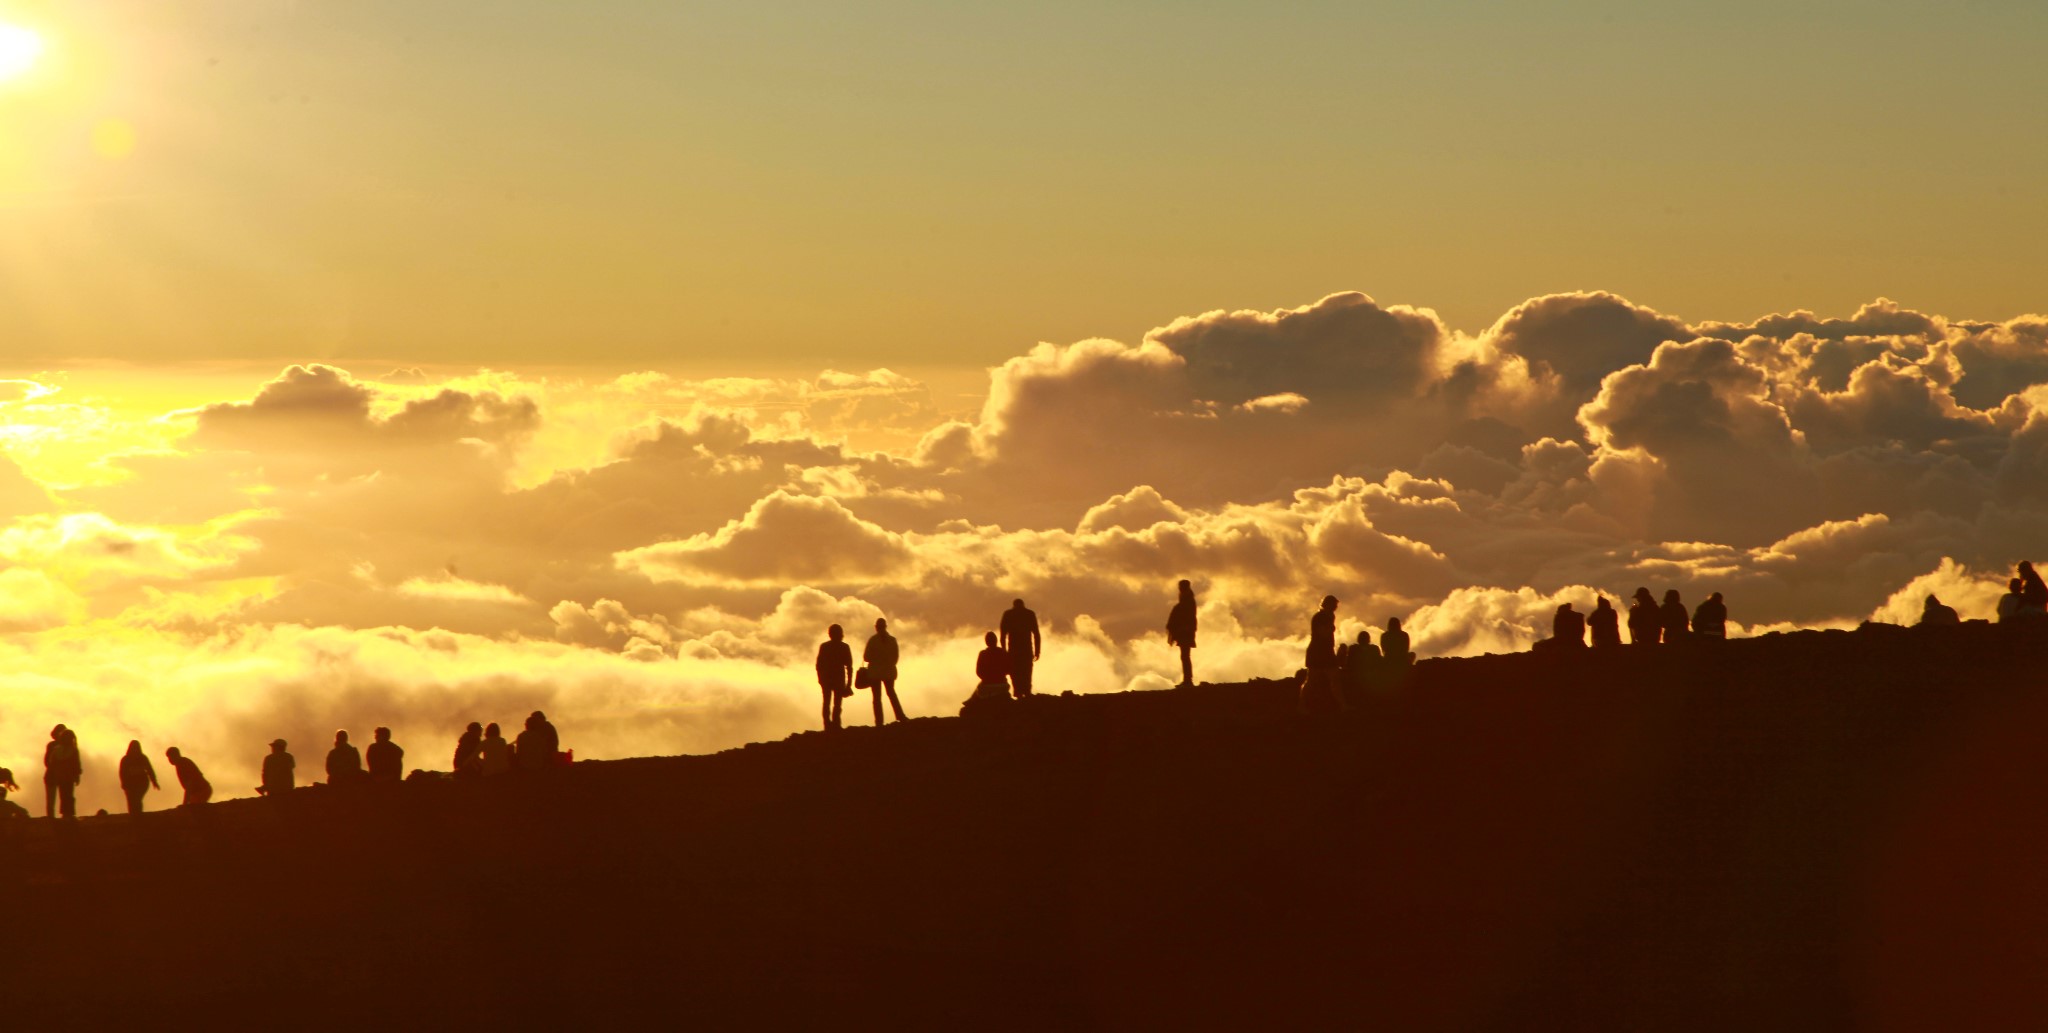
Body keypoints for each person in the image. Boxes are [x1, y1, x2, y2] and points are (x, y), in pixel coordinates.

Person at [1300, 595, 1345, 712]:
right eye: (1334, 605)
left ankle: (1341, 705)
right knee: (1312, 681)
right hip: (1317, 653)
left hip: (1326, 652)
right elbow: (1322, 634)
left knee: (1334, 679)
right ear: (1328, 604)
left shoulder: (1329, 617)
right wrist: (1330, 628)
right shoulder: (1320, 617)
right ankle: (1303, 706)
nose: (1335, 607)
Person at [862, 617, 908, 726]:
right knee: (891, 693)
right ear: (885, 627)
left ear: (876, 628)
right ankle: (900, 716)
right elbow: (895, 658)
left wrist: (876, 660)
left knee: (877, 698)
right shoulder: (892, 640)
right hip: (888, 672)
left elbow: (866, 657)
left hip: (875, 673)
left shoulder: (873, 640)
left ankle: (879, 721)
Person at [1000, 599, 1041, 699]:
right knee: (1026, 671)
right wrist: (1037, 651)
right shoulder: (1029, 614)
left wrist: (1004, 651)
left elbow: (1003, 635)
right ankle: (1027, 692)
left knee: (1015, 671)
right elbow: (1036, 634)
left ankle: (1019, 692)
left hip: (1014, 649)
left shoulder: (1008, 614)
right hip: (1026, 649)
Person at [963, 632, 1012, 716]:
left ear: (986, 642)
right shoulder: (1003, 652)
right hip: (1002, 684)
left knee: (978, 690)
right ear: (996, 641)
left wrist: (987, 678)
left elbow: (979, 672)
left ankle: (970, 703)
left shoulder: (983, 654)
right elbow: (1009, 669)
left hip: (987, 685)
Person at [816, 624, 854, 731]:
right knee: (836, 703)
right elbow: (849, 667)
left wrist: (820, 679)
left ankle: (828, 725)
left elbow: (819, 665)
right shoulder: (844, 647)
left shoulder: (825, 647)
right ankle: (835, 724)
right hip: (837, 679)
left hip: (827, 679)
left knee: (827, 702)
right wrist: (849, 684)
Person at [1166, 580, 1198, 689]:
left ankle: (1188, 680)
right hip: (1185, 631)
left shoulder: (1188, 601)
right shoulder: (1186, 599)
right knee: (1184, 656)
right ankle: (1187, 680)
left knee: (1185, 656)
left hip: (1186, 632)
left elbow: (1189, 617)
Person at [43, 725, 79, 820]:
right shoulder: (67, 748)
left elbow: (48, 762)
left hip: (55, 775)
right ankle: (59, 817)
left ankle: (56, 817)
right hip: (56, 776)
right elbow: (76, 764)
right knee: (62, 797)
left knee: (61, 797)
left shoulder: (55, 748)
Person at [118, 740, 158, 816]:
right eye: (133, 748)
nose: (135, 750)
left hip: (142, 783)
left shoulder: (143, 758)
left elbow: (149, 769)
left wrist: (154, 781)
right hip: (129, 784)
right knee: (131, 800)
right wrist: (123, 783)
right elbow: (122, 773)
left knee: (137, 799)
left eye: (136, 748)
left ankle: (138, 815)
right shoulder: (125, 760)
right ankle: (133, 815)